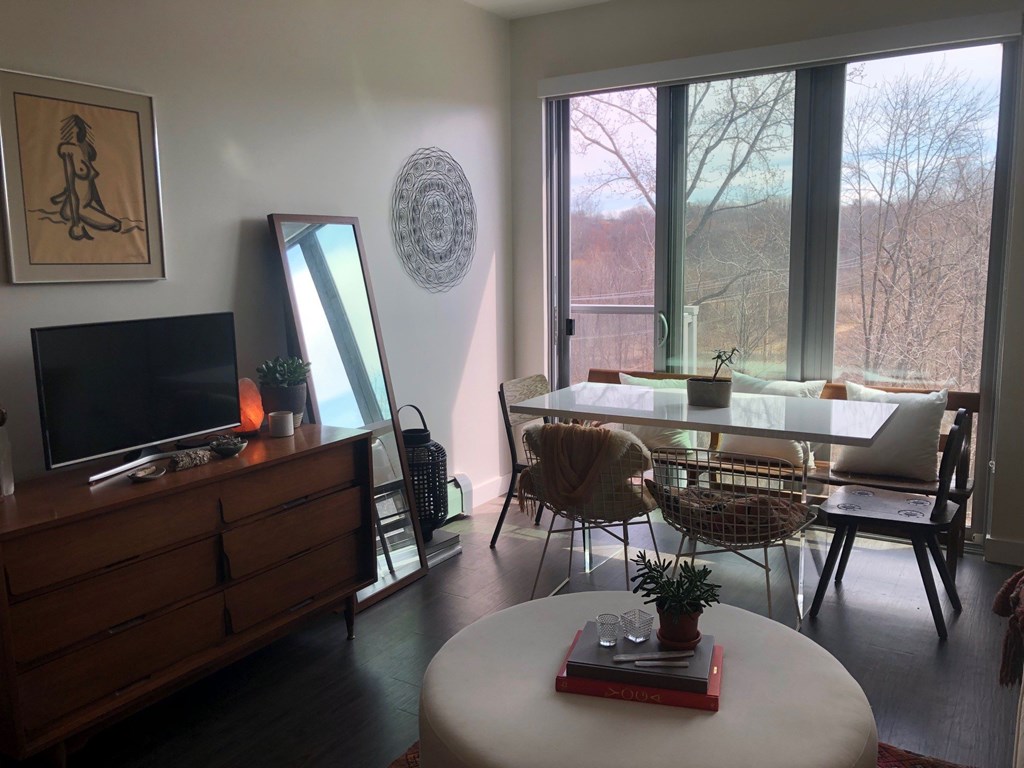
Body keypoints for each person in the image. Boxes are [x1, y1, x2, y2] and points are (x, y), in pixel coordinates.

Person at [50, 114, 122, 241]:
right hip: (82, 189)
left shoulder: (82, 147)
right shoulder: (71, 149)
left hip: (83, 190)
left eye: (76, 128)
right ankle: (68, 203)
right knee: (67, 213)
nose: (73, 131)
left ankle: (114, 223)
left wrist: (76, 223)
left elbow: (73, 183)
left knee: (76, 211)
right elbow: (71, 182)